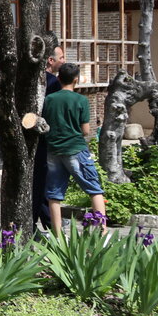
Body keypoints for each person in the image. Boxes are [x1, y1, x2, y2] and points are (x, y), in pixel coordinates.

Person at [42, 62, 107, 234]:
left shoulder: (49, 99)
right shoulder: (81, 100)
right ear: (76, 80)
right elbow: (85, 130)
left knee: (54, 195)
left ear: (58, 78)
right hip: (75, 149)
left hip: (53, 150)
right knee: (94, 189)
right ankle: (102, 232)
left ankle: (57, 236)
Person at [32, 44, 65, 232]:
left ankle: (47, 221)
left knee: (41, 182)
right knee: (41, 182)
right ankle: (41, 222)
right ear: (50, 60)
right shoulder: (52, 83)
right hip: (43, 139)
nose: (64, 61)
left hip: (37, 137)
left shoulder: (33, 80)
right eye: (61, 58)